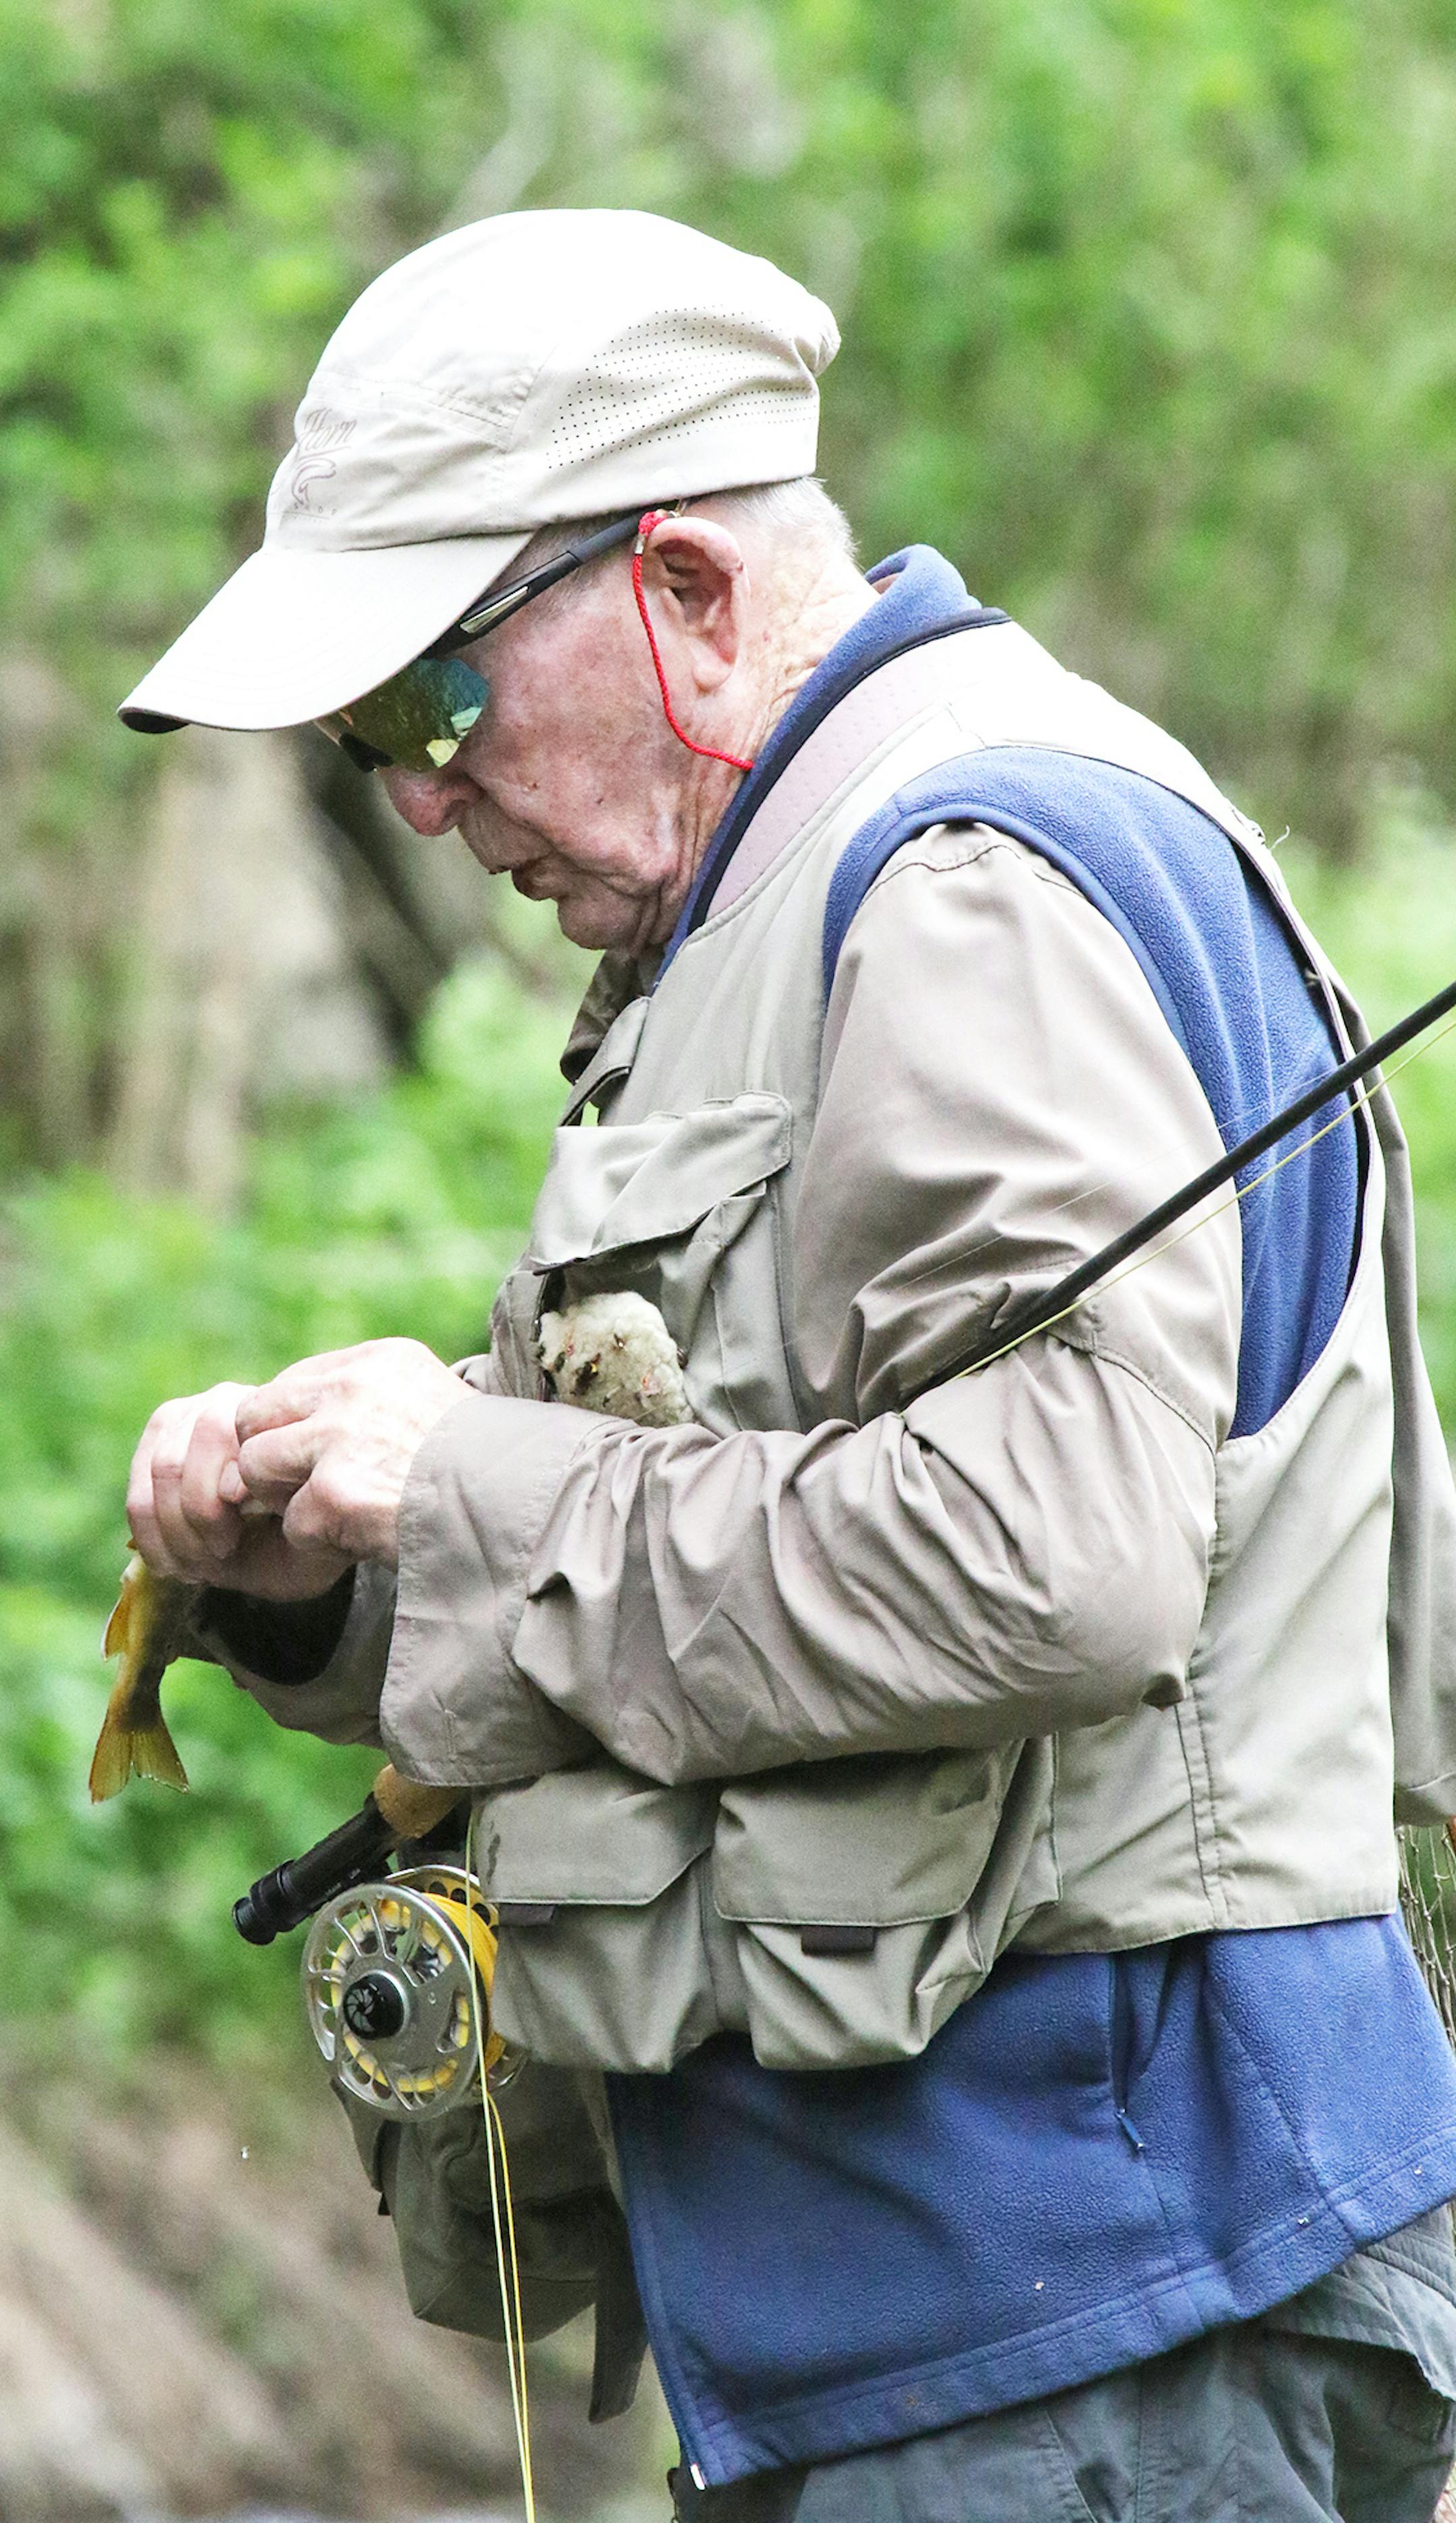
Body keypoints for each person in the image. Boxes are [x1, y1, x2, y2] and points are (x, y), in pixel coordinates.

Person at [119, 208, 1456, 2522]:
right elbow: (735, 1502)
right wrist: (332, 1569)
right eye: (366, 741)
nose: (417, 797)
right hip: (965, 2335)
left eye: (431, 702)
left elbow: (1055, 1562)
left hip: (1096, 2319)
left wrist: (471, 1489)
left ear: (688, 594)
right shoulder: (779, 890)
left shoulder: (957, 879)